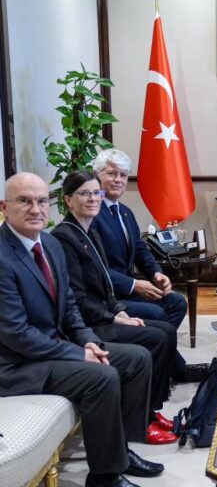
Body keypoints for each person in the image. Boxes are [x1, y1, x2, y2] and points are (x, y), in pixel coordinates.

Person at [0, 172, 163, 487]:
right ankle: (104, 477)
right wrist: (77, 354)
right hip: (18, 364)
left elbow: (69, 307)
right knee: (102, 376)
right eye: (24, 201)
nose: (35, 209)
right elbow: (16, 333)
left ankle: (121, 451)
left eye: (42, 201)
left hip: (54, 347)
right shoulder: (3, 256)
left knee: (137, 358)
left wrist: (88, 341)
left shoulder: (49, 244)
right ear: (4, 207)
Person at [52, 171, 178, 444]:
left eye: (96, 193)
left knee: (166, 331)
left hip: (104, 315)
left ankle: (150, 410)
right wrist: (115, 319)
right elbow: (77, 299)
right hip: (88, 326)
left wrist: (120, 310)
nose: (92, 198)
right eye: (84, 193)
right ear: (68, 200)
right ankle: (140, 422)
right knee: (155, 338)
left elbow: (105, 286)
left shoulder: (89, 231)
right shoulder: (64, 237)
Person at [91, 149, 208, 383]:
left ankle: (158, 360)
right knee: (157, 314)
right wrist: (134, 285)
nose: (118, 180)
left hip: (127, 289)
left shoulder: (124, 212)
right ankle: (172, 367)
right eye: (111, 173)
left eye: (123, 175)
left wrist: (156, 273)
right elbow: (96, 269)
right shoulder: (92, 213)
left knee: (176, 303)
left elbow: (140, 249)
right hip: (107, 295)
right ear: (97, 176)